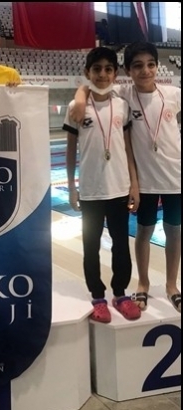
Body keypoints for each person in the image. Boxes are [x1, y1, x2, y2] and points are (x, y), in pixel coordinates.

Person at [69, 42, 181, 313]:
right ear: (128, 71)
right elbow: (91, 85)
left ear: (157, 66)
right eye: (138, 66)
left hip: (175, 178)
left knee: (174, 232)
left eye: (151, 65)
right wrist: (80, 97)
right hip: (144, 181)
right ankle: (142, 283)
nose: (145, 71)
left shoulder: (173, 93)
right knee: (143, 232)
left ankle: (172, 285)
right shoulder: (123, 94)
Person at [63, 47, 141, 323]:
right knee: (90, 245)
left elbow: (128, 148)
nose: (103, 74)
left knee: (121, 244)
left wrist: (134, 184)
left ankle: (120, 293)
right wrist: (72, 186)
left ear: (115, 74)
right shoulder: (75, 108)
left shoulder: (122, 106)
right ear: (87, 72)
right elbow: (70, 150)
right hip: (91, 190)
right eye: (97, 69)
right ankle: (97, 296)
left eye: (109, 69)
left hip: (119, 187)